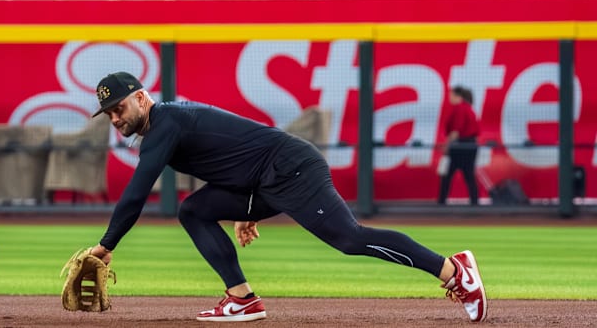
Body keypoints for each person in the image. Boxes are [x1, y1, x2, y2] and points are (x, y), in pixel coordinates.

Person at [88, 72, 487, 323]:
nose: (115, 118)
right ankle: (241, 299)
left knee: (350, 239)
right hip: (263, 178)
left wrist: (107, 245)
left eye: (118, 107)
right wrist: (247, 207)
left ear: (141, 98)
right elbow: (237, 148)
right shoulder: (166, 124)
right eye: (108, 114)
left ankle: (454, 271)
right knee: (193, 210)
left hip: (290, 167)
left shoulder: (165, 121)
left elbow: (137, 193)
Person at [438, 86, 481, 206]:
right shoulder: (468, 108)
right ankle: (474, 202)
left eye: (451, 95)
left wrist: (447, 145)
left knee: (447, 174)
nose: (449, 98)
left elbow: (456, 131)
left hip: (461, 147)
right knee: (468, 175)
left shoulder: (460, 109)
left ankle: (441, 202)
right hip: (470, 146)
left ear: (458, 96)